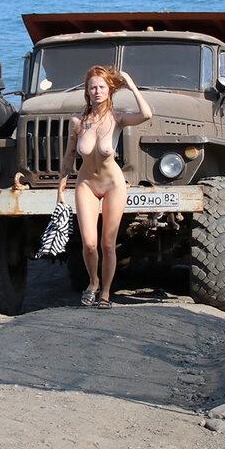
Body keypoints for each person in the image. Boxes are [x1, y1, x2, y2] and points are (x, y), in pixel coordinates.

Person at [57, 65, 152, 308]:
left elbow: (146, 114)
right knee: (89, 243)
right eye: (92, 88)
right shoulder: (77, 122)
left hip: (113, 185)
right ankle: (93, 282)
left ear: (109, 89)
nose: (97, 91)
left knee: (108, 244)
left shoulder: (118, 119)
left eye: (101, 87)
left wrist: (131, 86)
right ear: (87, 92)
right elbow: (69, 156)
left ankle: (106, 293)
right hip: (86, 184)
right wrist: (61, 189)